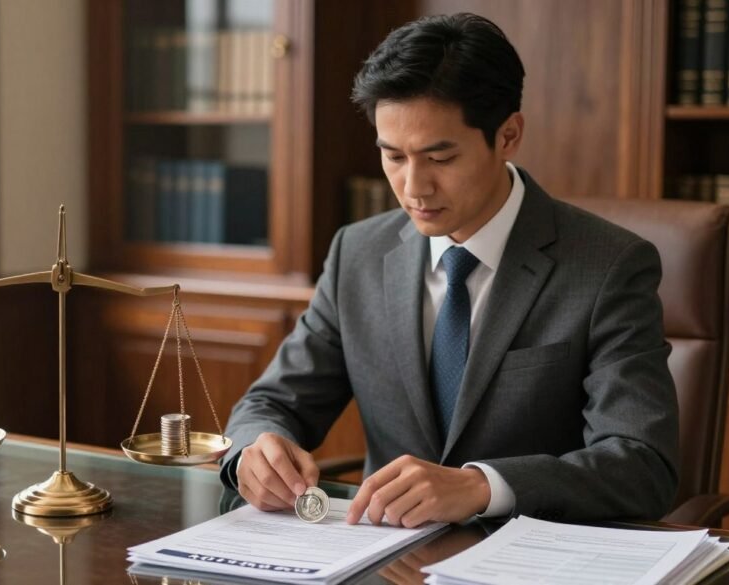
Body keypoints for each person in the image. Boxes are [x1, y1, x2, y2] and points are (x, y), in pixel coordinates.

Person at [218, 13, 679, 528]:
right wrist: (252, 452)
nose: (414, 187)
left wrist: (483, 486)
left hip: (532, 560)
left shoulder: (608, 266)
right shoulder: (358, 252)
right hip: (379, 559)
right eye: (393, 156)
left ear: (508, 135)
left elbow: (642, 464)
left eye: (440, 158)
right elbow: (271, 402)